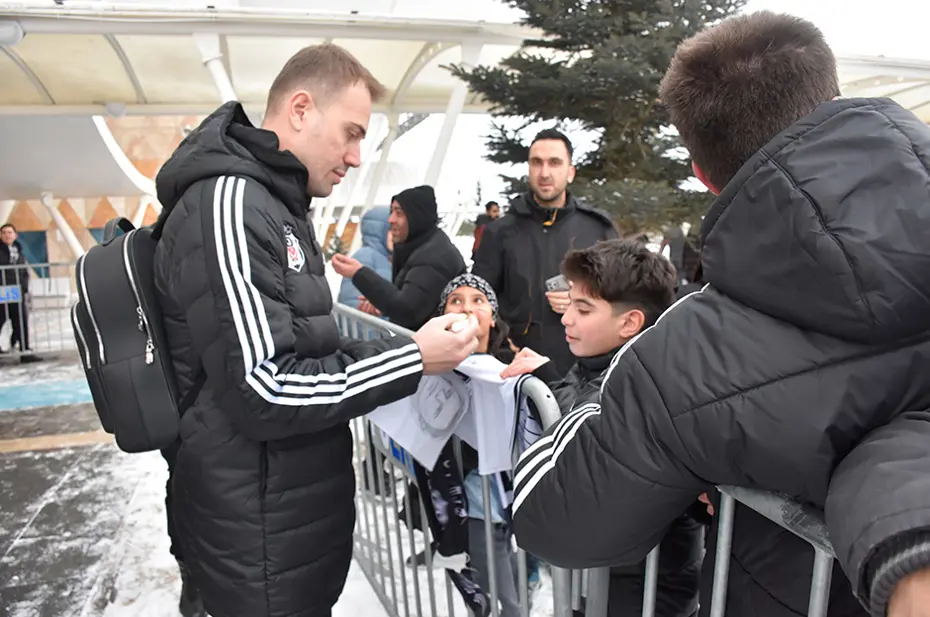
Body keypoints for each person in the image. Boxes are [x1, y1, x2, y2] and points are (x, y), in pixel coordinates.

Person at [510, 12, 930, 617]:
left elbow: (557, 517)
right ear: (831, 100)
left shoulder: (687, 355)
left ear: (704, 175)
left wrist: (587, 403)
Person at [152, 43, 480, 617]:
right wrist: (412, 360)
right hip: (255, 546)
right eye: (351, 134)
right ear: (301, 110)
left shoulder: (276, 203)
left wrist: (413, 345)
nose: (356, 157)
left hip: (280, 531)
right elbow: (265, 388)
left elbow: (309, 342)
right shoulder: (232, 201)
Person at [502, 240, 702, 617]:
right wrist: (548, 379)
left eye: (583, 309)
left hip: (645, 590)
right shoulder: (598, 361)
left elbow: (592, 433)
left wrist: (547, 382)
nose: (566, 318)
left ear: (629, 322)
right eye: (569, 304)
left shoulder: (650, 383)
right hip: (605, 577)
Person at [472, 128, 617, 378]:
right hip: (515, 370)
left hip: (583, 374)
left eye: (555, 163)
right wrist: (503, 346)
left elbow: (620, 299)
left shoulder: (598, 229)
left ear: (570, 172)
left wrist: (582, 298)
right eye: (537, 163)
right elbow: (480, 298)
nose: (545, 173)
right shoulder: (500, 232)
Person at [332, 185, 466, 330]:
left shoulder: (435, 256)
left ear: (417, 218)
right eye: (392, 212)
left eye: (399, 213)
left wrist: (359, 273)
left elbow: (409, 310)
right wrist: (383, 301)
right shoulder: (420, 249)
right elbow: (416, 301)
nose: (391, 219)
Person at [337, 206, 392, 309]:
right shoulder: (365, 257)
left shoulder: (389, 259)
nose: (396, 234)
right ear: (379, 231)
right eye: (392, 229)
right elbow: (352, 302)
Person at [0, 223, 38, 362]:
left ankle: (24, 350)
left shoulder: (18, 251)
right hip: (2, 291)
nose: (7, 235)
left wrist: (24, 287)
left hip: (17, 292)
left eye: (10, 232)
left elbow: (23, 271)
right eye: (4, 232)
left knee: (20, 321)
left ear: (15, 235)